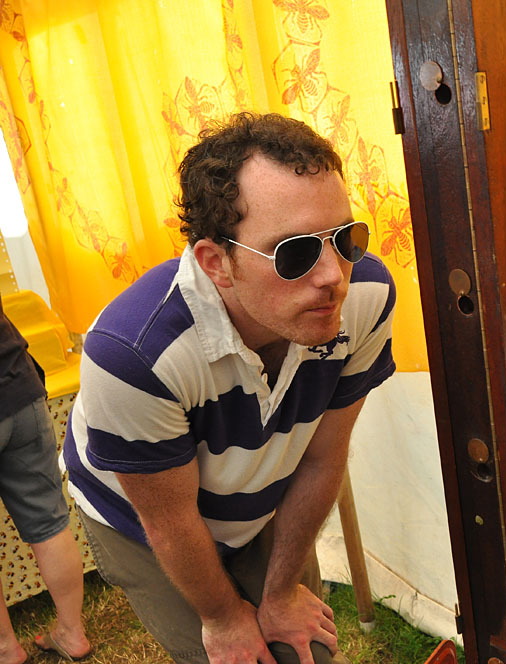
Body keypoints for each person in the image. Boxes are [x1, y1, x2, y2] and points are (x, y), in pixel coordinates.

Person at [63, 112, 395, 664]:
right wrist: (223, 617)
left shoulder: (365, 296)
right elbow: (170, 521)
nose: (333, 275)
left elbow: (323, 459)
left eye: (344, 238)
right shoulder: (135, 354)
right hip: (148, 518)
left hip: (260, 489)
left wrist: (282, 591)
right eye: (294, 253)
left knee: (304, 650)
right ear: (216, 262)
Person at [0, 298, 92, 663]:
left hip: (19, 387)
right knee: (49, 524)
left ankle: (6, 649)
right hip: (19, 388)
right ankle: (72, 633)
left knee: (49, 524)